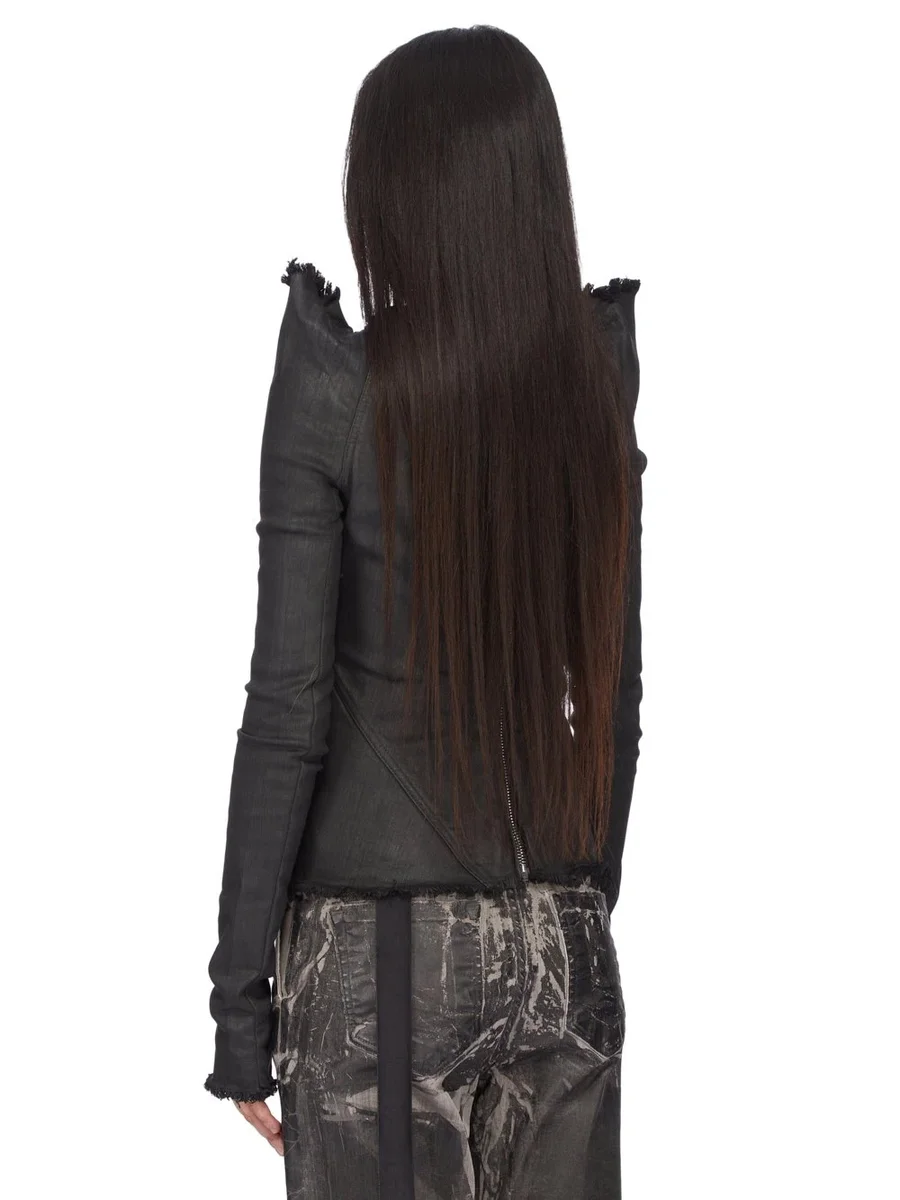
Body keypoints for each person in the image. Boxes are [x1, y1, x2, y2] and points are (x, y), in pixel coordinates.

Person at [204, 24, 645, 1200]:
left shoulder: (338, 389)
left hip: (384, 963)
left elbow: (288, 708)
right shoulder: (592, 390)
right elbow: (616, 703)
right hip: (566, 949)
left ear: (390, 195)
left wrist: (240, 1004)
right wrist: (572, 905)